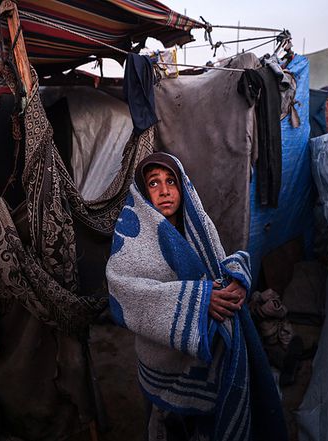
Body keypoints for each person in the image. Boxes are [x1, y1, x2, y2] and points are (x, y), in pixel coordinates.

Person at [107, 152, 287, 441]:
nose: (165, 191)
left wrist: (237, 281)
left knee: (207, 426)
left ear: (183, 187)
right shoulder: (131, 236)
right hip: (163, 360)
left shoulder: (197, 224)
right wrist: (200, 301)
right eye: (154, 183)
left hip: (207, 354)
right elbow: (125, 290)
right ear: (142, 191)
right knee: (168, 424)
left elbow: (220, 265)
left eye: (171, 182)